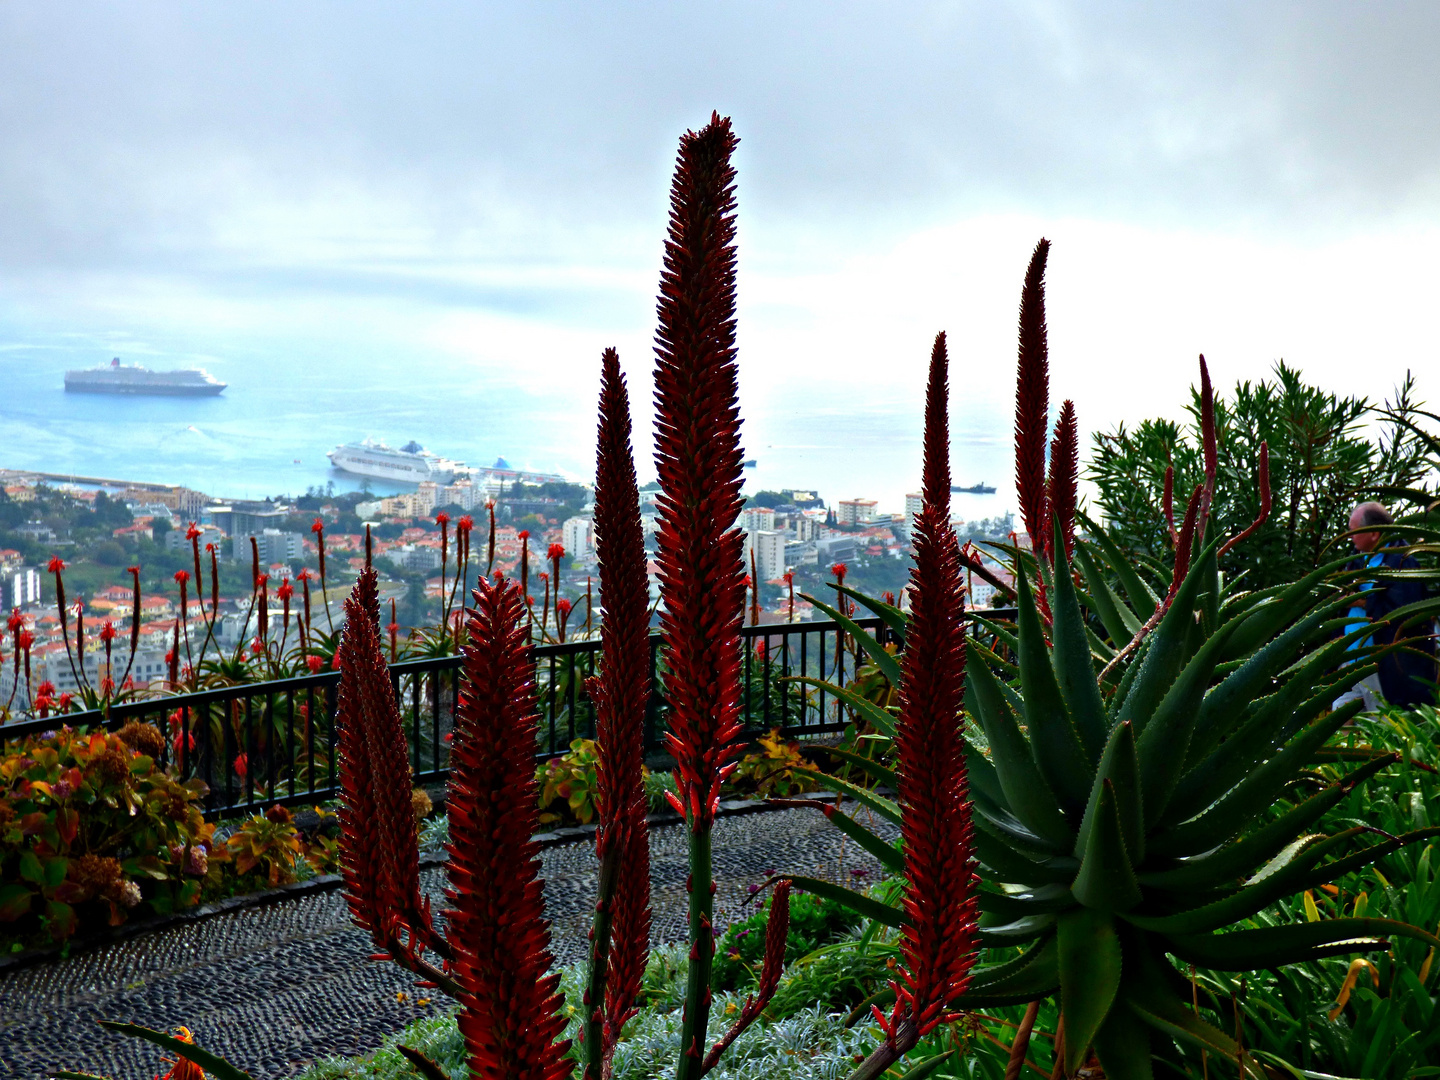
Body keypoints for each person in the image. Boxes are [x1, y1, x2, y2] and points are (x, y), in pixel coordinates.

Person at [1333, 502, 1436, 712]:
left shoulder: (1402, 563)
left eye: (1355, 531)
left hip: (1382, 664)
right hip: (1352, 661)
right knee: (1339, 714)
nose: (1350, 536)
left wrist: (1362, 601)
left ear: (1374, 533)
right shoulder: (1357, 562)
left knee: (1379, 725)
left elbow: (1403, 611)